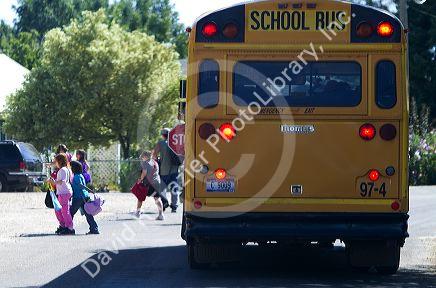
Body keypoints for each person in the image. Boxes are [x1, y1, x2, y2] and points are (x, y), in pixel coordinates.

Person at [153, 128, 181, 213]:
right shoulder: (175, 143)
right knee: (174, 188)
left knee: (162, 188)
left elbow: (154, 155)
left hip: (163, 170)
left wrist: (157, 160)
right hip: (174, 170)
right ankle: (174, 206)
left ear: (162, 135)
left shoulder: (161, 143)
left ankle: (164, 203)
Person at [136, 151, 169, 220]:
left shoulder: (145, 163)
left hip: (148, 184)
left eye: (142, 157)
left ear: (145, 157)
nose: (142, 158)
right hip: (157, 183)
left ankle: (138, 213)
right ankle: (161, 214)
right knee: (157, 199)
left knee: (140, 198)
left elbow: (144, 172)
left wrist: (140, 179)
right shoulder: (155, 162)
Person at [70, 161, 99, 235]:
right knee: (88, 213)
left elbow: (80, 185)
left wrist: (89, 190)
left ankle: (69, 227)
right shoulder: (80, 175)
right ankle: (94, 228)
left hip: (79, 197)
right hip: (85, 196)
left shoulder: (77, 176)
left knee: (70, 212)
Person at [49, 153, 74, 235]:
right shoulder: (65, 169)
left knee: (64, 211)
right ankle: (64, 226)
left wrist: (53, 182)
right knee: (60, 211)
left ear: (59, 161)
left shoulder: (62, 170)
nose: (55, 163)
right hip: (63, 192)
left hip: (64, 192)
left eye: (55, 161)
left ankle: (69, 227)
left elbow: (61, 181)